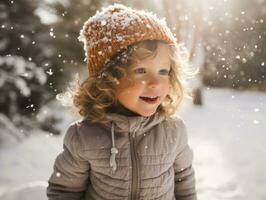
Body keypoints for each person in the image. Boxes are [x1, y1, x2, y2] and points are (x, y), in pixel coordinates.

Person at [47, 3, 197, 200]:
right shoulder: (84, 136)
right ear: (108, 79)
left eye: (163, 71)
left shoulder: (173, 131)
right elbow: (65, 191)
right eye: (140, 71)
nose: (155, 83)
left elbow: (184, 179)